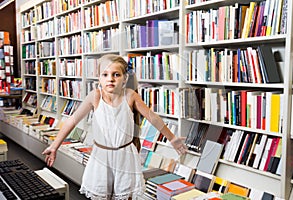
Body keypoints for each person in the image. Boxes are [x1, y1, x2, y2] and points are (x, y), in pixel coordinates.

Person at [42, 54, 187, 199]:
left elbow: (153, 117)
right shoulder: (95, 96)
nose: (110, 79)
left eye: (116, 74)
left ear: (124, 78)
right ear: (99, 78)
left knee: (125, 195)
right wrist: (54, 146)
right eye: (105, 74)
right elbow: (71, 121)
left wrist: (172, 138)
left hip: (125, 157)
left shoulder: (130, 96)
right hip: (101, 157)